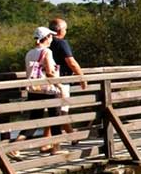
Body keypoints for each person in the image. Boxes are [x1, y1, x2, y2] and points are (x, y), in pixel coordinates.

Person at [10, 27, 63, 157]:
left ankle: (15, 147)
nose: (52, 39)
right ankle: (56, 148)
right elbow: (50, 72)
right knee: (56, 119)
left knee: (34, 120)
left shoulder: (29, 53)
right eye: (51, 36)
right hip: (48, 90)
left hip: (34, 90)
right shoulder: (47, 51)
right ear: (47, 37)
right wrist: (60, 86)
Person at [48, 18, 86, 139]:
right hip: (62, 80)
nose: (66, 31)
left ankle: (47, 142)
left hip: (49, 80)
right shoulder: (61, 43)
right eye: (65, 29)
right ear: (60, 30)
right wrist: (82, 77)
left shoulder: (48, 42)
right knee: (62, 110)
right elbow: (71, 62)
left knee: (53, 111)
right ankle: (72, 136)